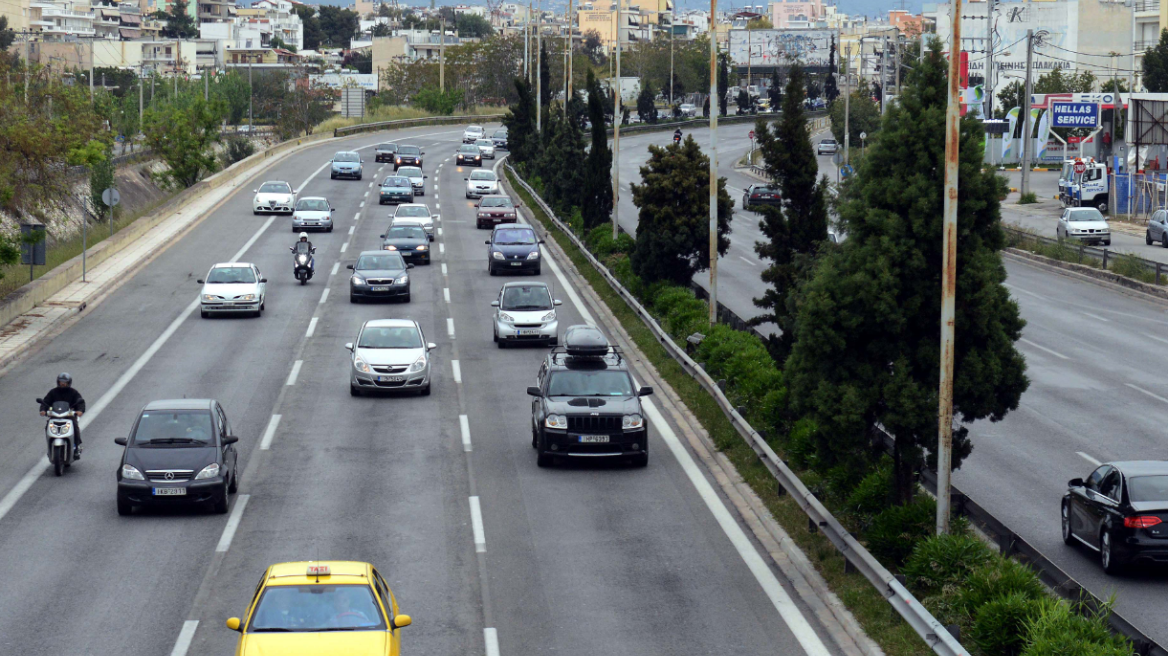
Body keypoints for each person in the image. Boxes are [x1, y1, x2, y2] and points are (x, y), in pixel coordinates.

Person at [39, 373, 85, 459]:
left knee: (75, 426)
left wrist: (80, 410)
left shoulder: (73, 392)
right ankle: (50, 446)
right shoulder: (53, 392)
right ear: (58, 382)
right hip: (55, 416)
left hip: (69, 416)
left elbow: (80, 402)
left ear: (69, 383)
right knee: (47, 427)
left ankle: (76, 447)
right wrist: (43, 410)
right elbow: (46, 402)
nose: (63, 383)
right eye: (61, 382)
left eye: (65, 382)